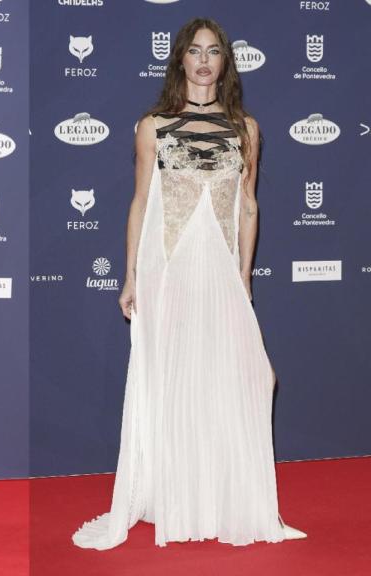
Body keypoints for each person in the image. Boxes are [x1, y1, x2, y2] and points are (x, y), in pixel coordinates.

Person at [72, 18, 306, 550]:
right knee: (175, 377)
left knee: (246, 375)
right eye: (195, 51)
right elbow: (140, 202)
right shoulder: (153, 126)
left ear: (225, 62)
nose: (203, 61)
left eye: (213, 51)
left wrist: (244, 276)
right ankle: (178, 497)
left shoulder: (246, 129)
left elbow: (248, 205)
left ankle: (224, 497)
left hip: (220, 267)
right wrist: (131, 274)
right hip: (169, 267)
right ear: (180, 59)